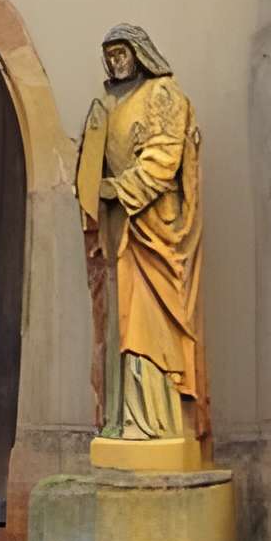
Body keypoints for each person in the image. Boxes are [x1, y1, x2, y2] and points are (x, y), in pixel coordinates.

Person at [75, 25, 208, 448]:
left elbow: (165, 156)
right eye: (110, 55)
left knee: (150, 322)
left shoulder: (162, 93)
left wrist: (119, 189)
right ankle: (123, 416)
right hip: (120, 228)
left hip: (155, 226)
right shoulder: (108, 104)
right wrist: (93, 183)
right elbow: (93, 160)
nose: (116, 61)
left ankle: (157, 422)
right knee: (120, 322)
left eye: (122, 53)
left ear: (140, 53)